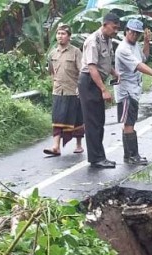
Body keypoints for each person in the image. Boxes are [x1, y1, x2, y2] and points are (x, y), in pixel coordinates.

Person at [114, 19, 152, 165]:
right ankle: (132, 155)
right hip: (126, 92)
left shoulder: (135, 45)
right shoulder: (123, 49)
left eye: (138, 33)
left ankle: (128, 155)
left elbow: (144, 58)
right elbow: (138, 65)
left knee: (130, 123)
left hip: (134, 90)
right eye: (132, 32)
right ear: (126, 31)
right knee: (129, 123)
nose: (135, 35)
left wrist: (147, 42)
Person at [78, 13, 121, 169]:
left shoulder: (108, 40)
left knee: (99, 121)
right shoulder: (93, 41)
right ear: (105, 24)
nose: (116, 31)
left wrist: (114, 73)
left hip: (96, 80)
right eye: (114, 27)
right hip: (89, 82)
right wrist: (103, 89)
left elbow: (105, 63)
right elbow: (92, 67)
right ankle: (96, 159)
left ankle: (99, 156)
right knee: (93, 122)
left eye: (117, 28)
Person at [43, 24, 85, 157]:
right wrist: (54, 84)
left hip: (73, 91)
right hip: (58, 91)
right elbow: (51, 72)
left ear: (69, 36)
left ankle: (79, 145)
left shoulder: (75, 52)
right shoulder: (52, 53)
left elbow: (82, 70)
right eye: (58, 34)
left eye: (63, 34)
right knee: (57, 117)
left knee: (77, 119)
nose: (60, 36)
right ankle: (56, 147)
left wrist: (80, 87)